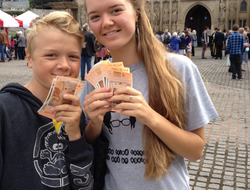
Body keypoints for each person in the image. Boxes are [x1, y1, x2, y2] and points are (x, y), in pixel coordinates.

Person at [80, 0, 218, 189]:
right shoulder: (96, 75)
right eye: (95, 16)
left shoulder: (178, 69)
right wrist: (95, 123)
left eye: (116, 10)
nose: (106, 22)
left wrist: (150, 116)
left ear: (136, 13)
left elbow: (195, 151)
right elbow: (86, 144)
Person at [0, 11, 95, 189]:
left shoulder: (75, 112)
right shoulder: (5, 111)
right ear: (30, 58)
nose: (65, 66)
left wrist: (75, 134)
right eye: (51, 55)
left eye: (73, 57)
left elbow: (85, 183)